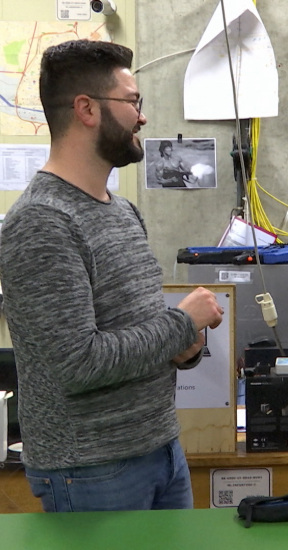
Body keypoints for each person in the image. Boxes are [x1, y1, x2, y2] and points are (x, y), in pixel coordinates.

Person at [0, 40, 225, 512]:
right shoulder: (42, 222)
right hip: (91, 471)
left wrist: (183, 350)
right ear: (86, 109)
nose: (142, 117)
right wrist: (182, 324)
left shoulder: (122, 213)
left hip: (161, 449)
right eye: (132, 102)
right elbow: (79, 363)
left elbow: (138, 334)